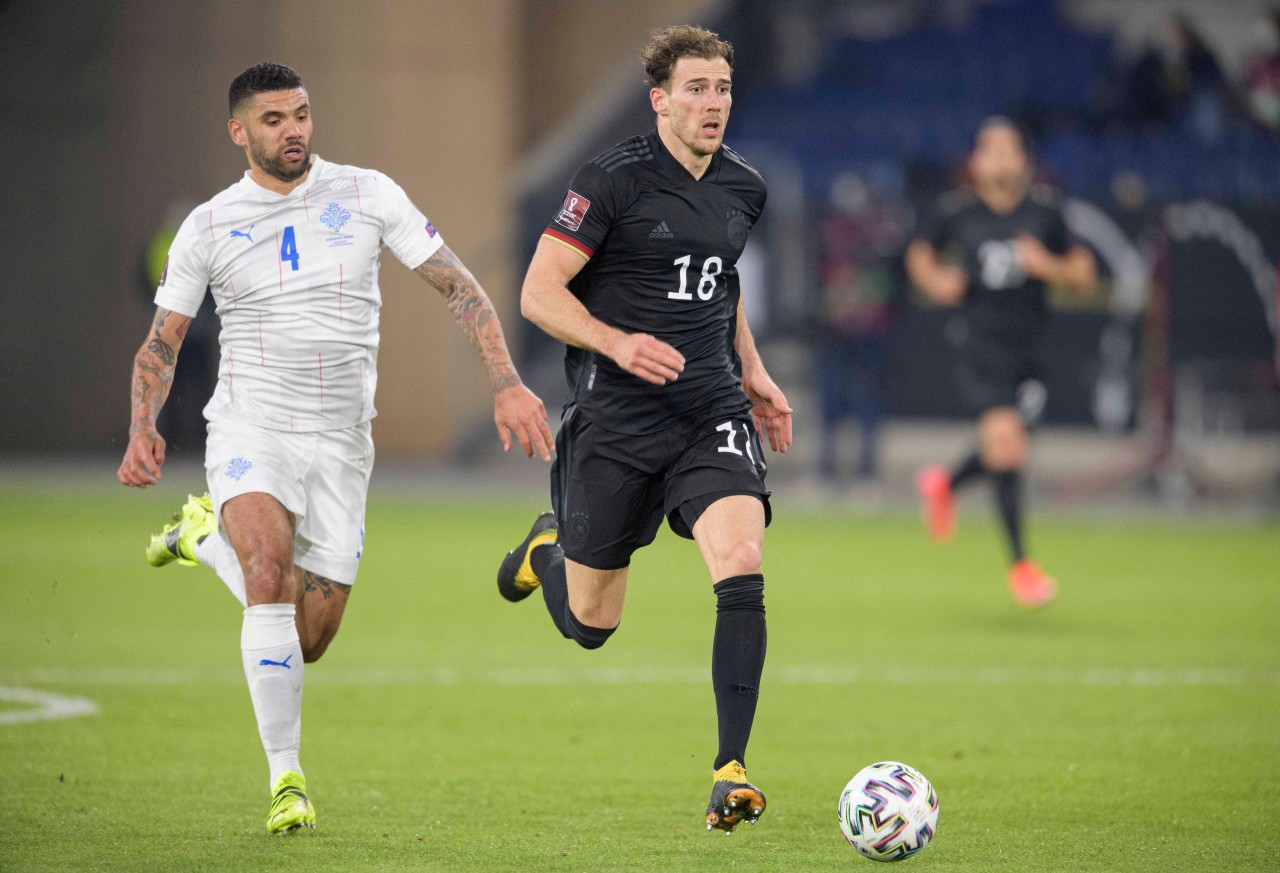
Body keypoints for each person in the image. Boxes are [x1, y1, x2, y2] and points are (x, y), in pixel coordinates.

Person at [116, 63, 552, 834]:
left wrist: (506, 380)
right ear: (239, 132)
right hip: (252, 426)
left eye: (302, 115)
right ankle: (287, 780)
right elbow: (162, 342)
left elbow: (459, 286)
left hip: (344, 443)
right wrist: (142, 424)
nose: (295, 131)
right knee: (266, 571)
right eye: (275, 120)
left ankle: (200, 536)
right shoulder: (210, 225)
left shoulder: (367, 193)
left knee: (307, 637)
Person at [495, 25, 792, 834]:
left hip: (709, 412)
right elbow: (538, 292)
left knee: (741, 558)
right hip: (616, 421)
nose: (712, 104)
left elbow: (718, 288)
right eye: (695, 89)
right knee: (592, 625)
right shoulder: (611, 180)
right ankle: (545, 550)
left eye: (722, 89)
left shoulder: (745, 188)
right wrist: (616, 339)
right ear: (660, 100)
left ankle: (730, 769)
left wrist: (755, 373)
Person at [905, 117, 1096, 607]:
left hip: (1030, 352)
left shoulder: (1047, 213)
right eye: (991, 150)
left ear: (1024, 161)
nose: (1001, 159)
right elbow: (920, 255)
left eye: (1010, 150)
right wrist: (935, 280)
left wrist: (1046, 265)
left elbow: (1084, 275)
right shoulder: (957, 211)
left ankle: (945, 485)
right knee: (1006, 446)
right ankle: (1022, 567)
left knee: (1006, 452)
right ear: (975, 161)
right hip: (978, 346)